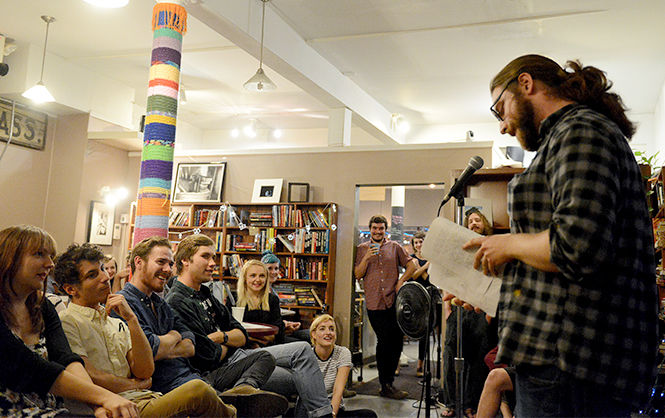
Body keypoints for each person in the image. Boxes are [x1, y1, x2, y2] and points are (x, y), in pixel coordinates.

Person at [460, 54, 658, 416]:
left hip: (573, 362)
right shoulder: (568, 137)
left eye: (499, 108)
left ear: (525, 84)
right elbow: (563, 256)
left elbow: (577, 246)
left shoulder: (582, 131)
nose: (502, 126)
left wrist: (506, 244)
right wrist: (491, 283)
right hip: (562, 361)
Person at [54, 242, 233, 417]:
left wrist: (132, 319)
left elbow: (145, 371)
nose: (105, 277)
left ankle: (235, 406)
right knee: (198, 391)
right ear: (71, 289)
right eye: (93, 275)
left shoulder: (116, 321)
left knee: (228, 389)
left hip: (147, 397)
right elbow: (89, 377)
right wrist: (136, 385)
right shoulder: (68, 321)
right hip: (116, 405)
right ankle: (233, 411)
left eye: (102, 269)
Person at [167, 234, 334, 418]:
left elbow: (241, 333)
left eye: (213, 257)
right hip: (224, 368)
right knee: (304, 375)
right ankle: (323, 415)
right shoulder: (177, 300)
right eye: (206, 256)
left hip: (241, 355)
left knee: (303, 355)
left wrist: (222, 338)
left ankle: (321, 415)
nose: (213, 263)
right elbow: (208, 354)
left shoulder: (204, 293)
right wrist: (229, 341)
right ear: (185, 260)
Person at [118, 236, 286, 417]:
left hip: (192, 376)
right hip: (173, 385)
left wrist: (169, 342)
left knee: (267, 361)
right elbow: (149, 351)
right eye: (161, 262)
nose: (168, 269)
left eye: (169, 263)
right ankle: (236, 405)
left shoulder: (159, 303)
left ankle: (239, 395)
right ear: (138, 262)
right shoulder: (125, 303)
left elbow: (190, 344)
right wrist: (175, 338)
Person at [0, 225, 139, 417]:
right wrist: (104, 397)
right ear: (10, 259)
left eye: (51, 256)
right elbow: (29, 367)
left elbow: (66, 358)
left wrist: (98, 405)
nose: (50, 263)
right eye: (39, 254)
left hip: (53, 411)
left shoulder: (43, 306)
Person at [354, 215, 416, 399]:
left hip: (393, 301)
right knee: (384, 341)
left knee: (396, 342)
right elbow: (357, 274)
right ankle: (384, 384)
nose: (377, 231)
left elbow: (411, 265)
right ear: (370, 229)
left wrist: (400, 282)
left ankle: (389, 383)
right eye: (374, 228)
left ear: (385, 229)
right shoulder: (362, 249)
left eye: (381, 228)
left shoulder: (395, 247)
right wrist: (366, 258)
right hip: (374, 303)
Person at [442, 210, 497, 417]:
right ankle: (450, 403)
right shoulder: (459, 248)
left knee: (478, 358)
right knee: (450, 355)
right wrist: (447, 308)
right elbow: (446, 273)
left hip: (481, 310)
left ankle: (471, 405)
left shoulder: (491, 247)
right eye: (470, 221)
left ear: (484, 224)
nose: (474, 223)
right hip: (457, 308)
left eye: (477, 220)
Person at [309, 314, 377, 418]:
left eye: (332, 329)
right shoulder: (306, 355)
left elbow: (338, 390)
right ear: (313, 334)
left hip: (333, 409)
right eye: (322, 329)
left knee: (369, 415)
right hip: (312, 410)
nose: (328, 333)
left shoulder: (342, 353)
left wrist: (332, 415)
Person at [261, 250, 308, 342]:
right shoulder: (261, 291)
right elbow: (264, 321)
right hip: (270, 335)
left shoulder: (272, 290)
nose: (274, 272)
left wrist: (286, 324)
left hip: (279, 329)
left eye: (276, 268)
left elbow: (273, 319)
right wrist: (284, 326)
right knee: (306, 342)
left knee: (313, 335)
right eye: (269, 268)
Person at [236, 259, 285, 345]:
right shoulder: (234, 299)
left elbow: (278, 332)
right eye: (253, 275)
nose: (257, 279)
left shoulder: (272, 300)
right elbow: (230, 330)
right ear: (244, 278)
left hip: (269, 345)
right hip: (242, 346)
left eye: (262, 276)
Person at [408, 231, 432, 377]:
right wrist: (426, 266)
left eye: (421, 242)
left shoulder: (431, 258)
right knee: (405, 330)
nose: (418, 245)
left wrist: (419, 268)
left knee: (425, 334)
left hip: (427, 299)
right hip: (412, 298)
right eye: (416, 242)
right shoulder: (410, 259)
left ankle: (420, 365)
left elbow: (428, 279)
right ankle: (397, 363)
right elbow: (413, 276)